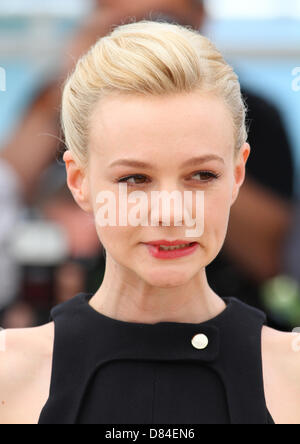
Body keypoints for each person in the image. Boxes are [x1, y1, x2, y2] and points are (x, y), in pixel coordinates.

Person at [1, 20, 300, 425]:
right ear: (79, 181)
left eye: (202, 175)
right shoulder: (9, 374)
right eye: (134, 179)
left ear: (238, 174)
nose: (171, 212)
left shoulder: (293, 375)